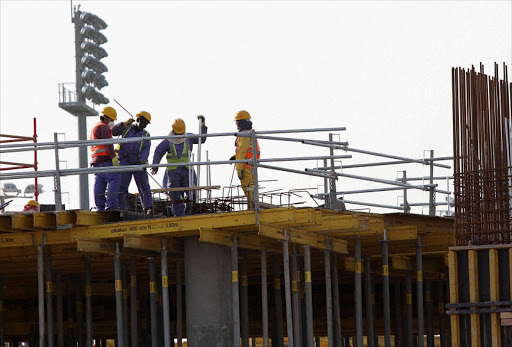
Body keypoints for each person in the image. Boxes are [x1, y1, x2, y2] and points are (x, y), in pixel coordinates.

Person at [151, 117, 207, 217]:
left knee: (191, 194)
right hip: (173, 172)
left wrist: (202, 126)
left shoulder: (188, 137)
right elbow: (158, 151)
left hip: (187, 170)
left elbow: (201, 139)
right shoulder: (168, 141)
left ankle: (188, 215)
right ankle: (178, 217)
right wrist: (155, 164)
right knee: (175, 196)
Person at [112, 111, 153, 214]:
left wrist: (142, 161)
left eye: (146, 124)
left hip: (138, 163)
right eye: (144, 123)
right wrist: (123, 123)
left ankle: (148, 207)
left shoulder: (146, 135)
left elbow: (146, 150)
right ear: (138, 119)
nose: (144, 125)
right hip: (125, 161)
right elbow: (113, 132)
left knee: (144, 186)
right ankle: (123, 207)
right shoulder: (126, 128)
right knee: (122, 185)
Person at [90, 106, 120, 211]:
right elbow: (109, 144)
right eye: (112, 119)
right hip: (105, 159)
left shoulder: (96, 127)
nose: (112, 122)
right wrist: (114, 157)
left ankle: (100, 206)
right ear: (107, 118)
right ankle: (111, 206)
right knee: (115, 178)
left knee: (100, 182)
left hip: (96, 161)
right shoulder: (104, 128)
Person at [231, 110, 260, 209]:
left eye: (237, 122)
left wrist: (239, 168)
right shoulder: (250, 133)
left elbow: (243, 151)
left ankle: (251, 207)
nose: (236, 125)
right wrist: (235, 157)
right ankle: (252, 205)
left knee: (247, 187)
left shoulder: (243, 135)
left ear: (241, 123)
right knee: (252, 186)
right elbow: (245, 150)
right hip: (252, 164)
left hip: (246, 166)